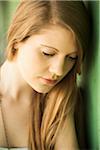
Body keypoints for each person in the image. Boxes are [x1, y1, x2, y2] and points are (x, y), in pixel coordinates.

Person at [0, 0, 90, 150]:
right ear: (17, 40)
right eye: (48, 53)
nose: (59, 71)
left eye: (71, 57)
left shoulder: (58, 103)